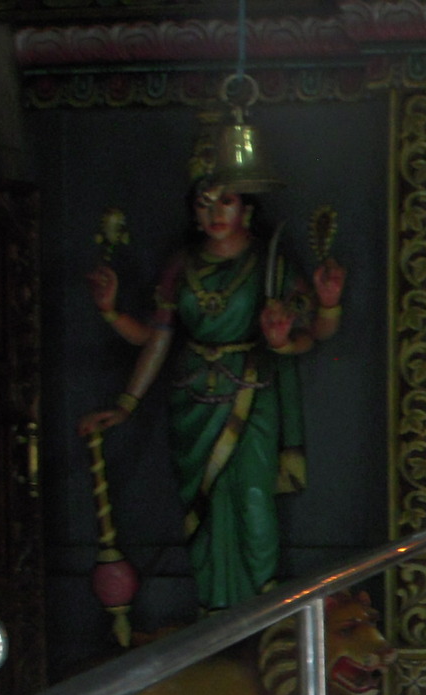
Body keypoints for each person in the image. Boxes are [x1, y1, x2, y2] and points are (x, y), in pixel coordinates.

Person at [78, 176, 345, 612]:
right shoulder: (181, 266)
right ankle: (213, 613)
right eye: (204, 204)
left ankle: (261, 614)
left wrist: (327, 303)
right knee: (202, 511)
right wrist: (113, 325)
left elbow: (314, 331)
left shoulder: (269, 263)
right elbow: (156, 337)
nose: (215, 213)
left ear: (247, 210)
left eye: (226, 201)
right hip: (193, 397)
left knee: (254, 502)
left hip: (250, 393)